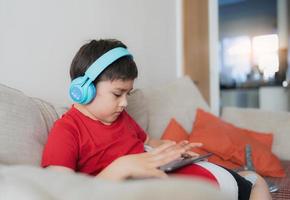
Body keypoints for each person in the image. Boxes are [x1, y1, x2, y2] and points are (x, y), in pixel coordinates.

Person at [41, 39, 271, 200]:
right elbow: (62, 191)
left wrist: (173, 149)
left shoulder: (120, 117)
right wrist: (121, 167)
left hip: (177, 176)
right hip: (145, 189)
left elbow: (150, 140)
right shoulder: (67, 130)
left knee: (256, 180)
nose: (124, 103)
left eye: (128, 94)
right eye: (117, 93)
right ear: (83, 90)